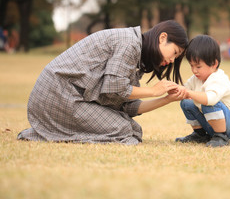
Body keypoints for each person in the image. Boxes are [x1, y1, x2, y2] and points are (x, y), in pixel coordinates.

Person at [17, 20, 188, 145]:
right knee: (124, 131)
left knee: (134, 130)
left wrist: (166, 99)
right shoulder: (130, 43)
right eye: (174, 52)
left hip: (70, 97)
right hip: (58, 94)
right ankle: (43, 133)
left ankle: (46, 132)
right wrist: (152, 91)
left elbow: (126, 106)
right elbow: (115, 87)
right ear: (162, 38)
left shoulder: (137, 55)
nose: (172, 60)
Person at [174, 35, 230, 147]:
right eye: (191, 66)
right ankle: (200, 134)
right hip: (211, 123)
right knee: (186, 102)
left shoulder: (218, 78)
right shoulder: (196, 79)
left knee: (208, 103)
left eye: (198, 66)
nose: (194, 70)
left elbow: (210, 99)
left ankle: (221, 136)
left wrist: (189, 93)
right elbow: (185, 90)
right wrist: (175, 89)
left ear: (214, 64)